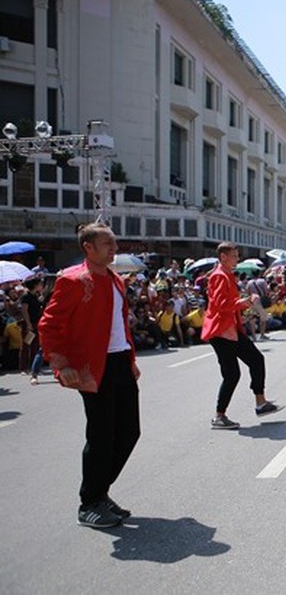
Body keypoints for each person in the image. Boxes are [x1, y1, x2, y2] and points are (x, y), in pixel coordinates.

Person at [38, 223, 141, 528]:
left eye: (114, 243)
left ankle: (99, 491)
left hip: (120, 360)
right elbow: (49, 326)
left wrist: (130, 360)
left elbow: (119, 325)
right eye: (108, 244)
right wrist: (61, 364)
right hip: (93, 366)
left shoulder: (115, 280)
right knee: (100, 435)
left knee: (129, 432)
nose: (114, 248)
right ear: (88, 247)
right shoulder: (72, 280)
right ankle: (90, 502)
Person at [202, 242, 283, 430]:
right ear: (223, 257)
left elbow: (228, 303)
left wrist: (244, 304)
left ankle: (260, 402)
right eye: (234, 255)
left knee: (256, 360)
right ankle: (219, 416)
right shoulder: (219, 276)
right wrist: (245, 302)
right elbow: (221, 305)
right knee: (232, 374)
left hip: (231, 330)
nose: (237, 258)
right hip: (221, 332)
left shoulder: (226, 275)